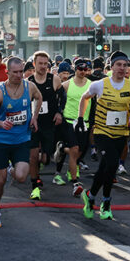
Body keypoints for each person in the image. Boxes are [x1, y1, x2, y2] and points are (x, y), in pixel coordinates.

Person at [77, 51, 130, 220]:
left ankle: (90, 196)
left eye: (125, 65)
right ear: (111, 67)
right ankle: (106, 202)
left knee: (104, 168)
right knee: (112, 164)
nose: (122, 68)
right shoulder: (99, 85)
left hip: (121, 133)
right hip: (102, 132)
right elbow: (84, 98)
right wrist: (80, 118)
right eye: (118, 65)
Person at [0, 57, 42, 227]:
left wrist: (34, 117)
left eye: (21, 71)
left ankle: (12, 169)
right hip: (1, 140)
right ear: (7, 72)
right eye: (15, 72)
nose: (19, 75)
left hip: (21, 139)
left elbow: (39, 97)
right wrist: (1, 123)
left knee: (21, 177)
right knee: (0, 180)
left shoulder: (29, 87)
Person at [28, 51, 62, 201]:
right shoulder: (28, 81)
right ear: (34, 64)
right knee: (33, 155)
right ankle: (34, 185)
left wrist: (59, 112)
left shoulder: (54, 79)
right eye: (40, 63)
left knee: (45, 159)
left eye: (45, 63)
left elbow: (62, 98)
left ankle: (46, 158)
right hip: (34, 124)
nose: (43, 66)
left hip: (49, 123)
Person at [55, 58, 91, 195]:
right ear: (75, 70)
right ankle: (75, 182)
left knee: (80, 152)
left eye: (85, 69)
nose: (82, 72)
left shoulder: (91, 85)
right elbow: (57, 100)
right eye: (80, 69)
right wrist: (59, 113)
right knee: (75, 149)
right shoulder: (66, 85)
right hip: (69, 121)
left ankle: (63, 149)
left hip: (85, 122)